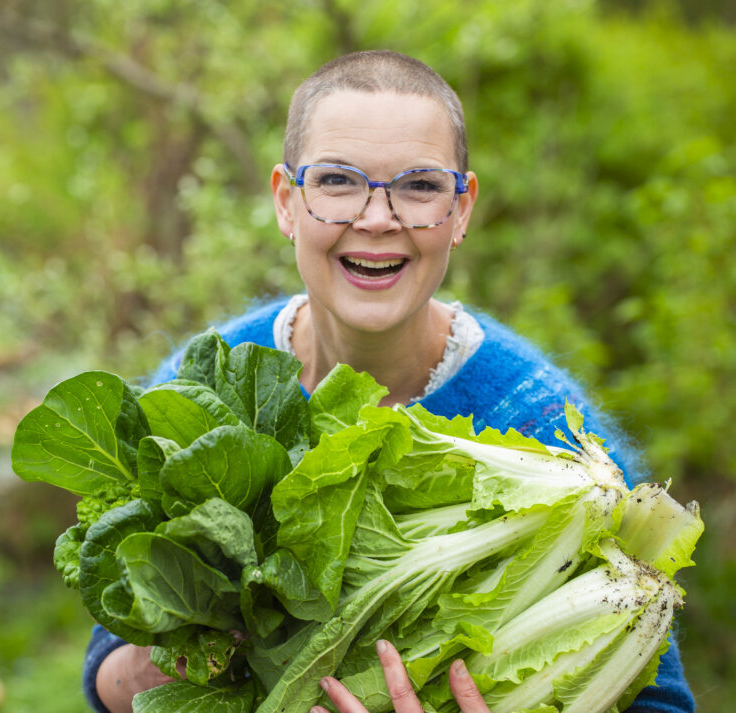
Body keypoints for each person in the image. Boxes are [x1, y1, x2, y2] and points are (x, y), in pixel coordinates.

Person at [83, 50, 694, 713]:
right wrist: (199, 651)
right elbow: (107, 671)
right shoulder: (199, 389)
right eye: (339, 180)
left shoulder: (553, 436)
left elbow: (658, 699)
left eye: (420, 186)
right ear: (288, 202)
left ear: (461, 210)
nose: (377, 218)